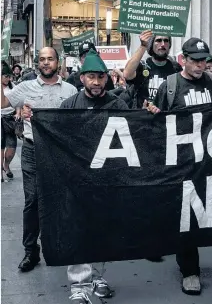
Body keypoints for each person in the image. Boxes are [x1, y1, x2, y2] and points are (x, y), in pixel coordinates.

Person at [147, 37, 212, 296]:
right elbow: (158, 121)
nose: (200, 65)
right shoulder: (171, 85)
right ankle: (190, 270)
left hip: (209, 159)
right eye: (195, 60)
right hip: (181, 162)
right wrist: (153, 113)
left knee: (204, 211)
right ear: (183, 60)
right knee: (185, 215)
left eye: (204, 60)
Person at [0, 47, 78, 273]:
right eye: (42, 59)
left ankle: (60, 245)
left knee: (61, 200)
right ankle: (30, 251)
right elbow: (4, 103)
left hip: (60, 153)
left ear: (58, 62)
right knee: (33, 201)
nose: (46, 63)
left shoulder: (71, 90)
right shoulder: (25, 88)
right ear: (37, 63)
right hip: (33, 151)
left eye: (50, 59)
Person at [58, 49, 125, 303]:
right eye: (90, 77)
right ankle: (79, 285)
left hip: (107, 179)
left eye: (100, 77)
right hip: (77, 178)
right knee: (78, 228)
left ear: (106, 79)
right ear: (82, 78)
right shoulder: (69, 105)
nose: (96, 82)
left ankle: (98, 276)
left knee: (101, 229)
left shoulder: (117, 104)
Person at [123, 30, 183, 108]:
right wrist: (143, 46)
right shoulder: (143, 66)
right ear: (151, 44)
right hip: (144, 116)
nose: (163, 44)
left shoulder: (175, 68)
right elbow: (127, 74)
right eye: (158, 40)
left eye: (166, 41)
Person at [1, 62, 20, 181]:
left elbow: (18, 102)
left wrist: (18, 112)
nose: (8, 79)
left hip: (10, 119)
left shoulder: (14, 87)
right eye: (5, 76)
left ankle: (6, 165)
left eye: (9, 76)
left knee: (11, 150)